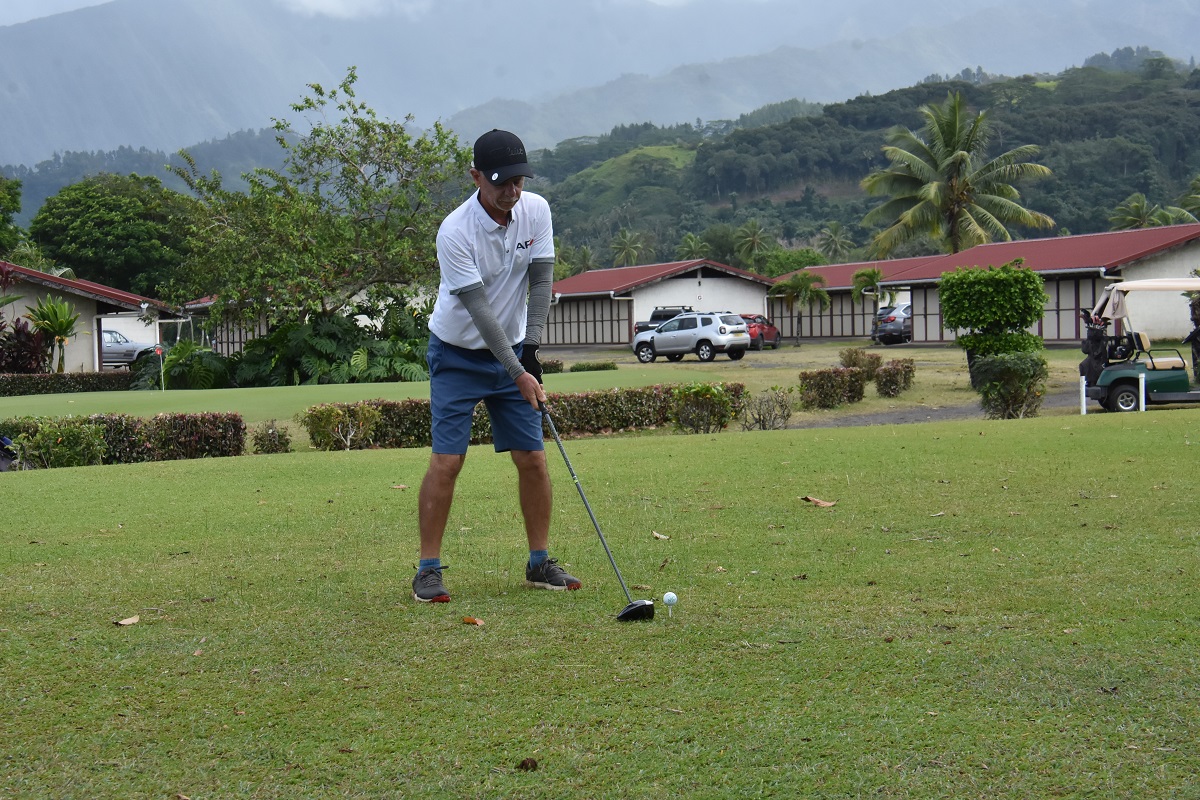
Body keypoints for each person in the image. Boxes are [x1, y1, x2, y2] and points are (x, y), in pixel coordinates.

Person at [412, 129, 581, 603]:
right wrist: (518, 369)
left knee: (532, 458)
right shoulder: (455, 231)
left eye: (518, 180)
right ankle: (427, 570)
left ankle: (539, 561)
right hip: (457, 354)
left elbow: (542, 281)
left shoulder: (536, 210)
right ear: (475, 177)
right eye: (501, 181)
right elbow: (480, 311)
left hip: (513, 353)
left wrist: (532, 350)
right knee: (448, 462)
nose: (512, 190)